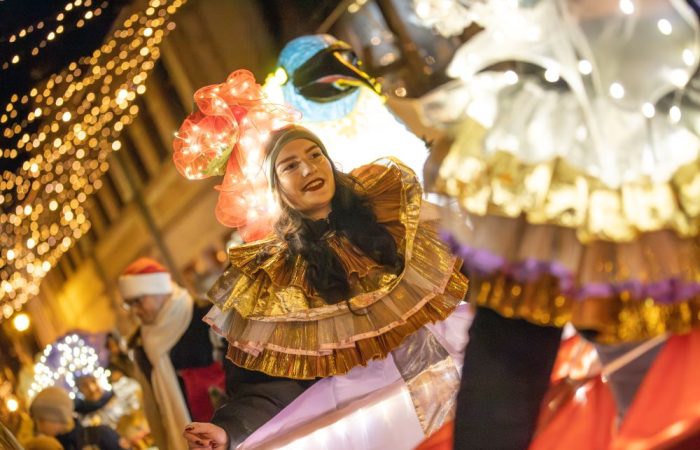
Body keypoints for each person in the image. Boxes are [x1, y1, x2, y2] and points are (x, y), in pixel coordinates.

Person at [172, 71, 469, 449]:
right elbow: (271, 384)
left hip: (461, 383)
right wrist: (230, 430)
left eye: (315, 155)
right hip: (385, 425)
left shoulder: (394, 219)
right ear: (274, 188)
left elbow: (470, 272)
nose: (309, 169)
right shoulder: (277, 278)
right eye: (289, 166)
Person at [118, 258, 226, 450]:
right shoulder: (141, 345)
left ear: (158, 289)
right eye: (129, 305)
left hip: (230, 430)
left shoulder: (204, 314)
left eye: (138, 301)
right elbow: (154, 409)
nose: (135, 311)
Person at [29, 386, 125, 450]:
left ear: (56, 417)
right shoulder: (51, 446)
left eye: (41, 421)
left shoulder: (102, 435)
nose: (39, 428)